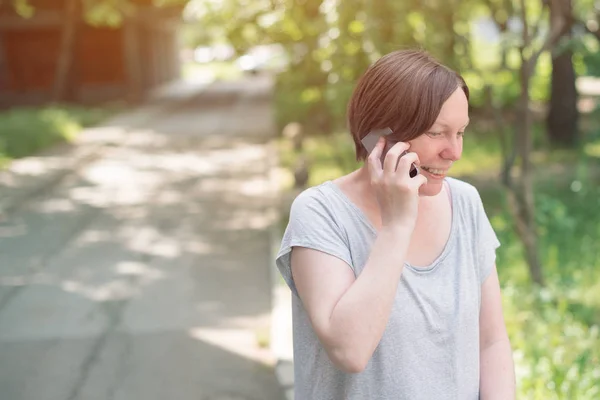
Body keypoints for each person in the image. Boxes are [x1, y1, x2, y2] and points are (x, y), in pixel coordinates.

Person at [275, 49, 516, 399]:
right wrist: (398, 225)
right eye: (437, 133)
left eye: (461, 132)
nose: (455, 152)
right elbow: (349, 351)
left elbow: (491, 341)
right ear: (379, 135)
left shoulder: (465, 203)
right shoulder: (320, 213)